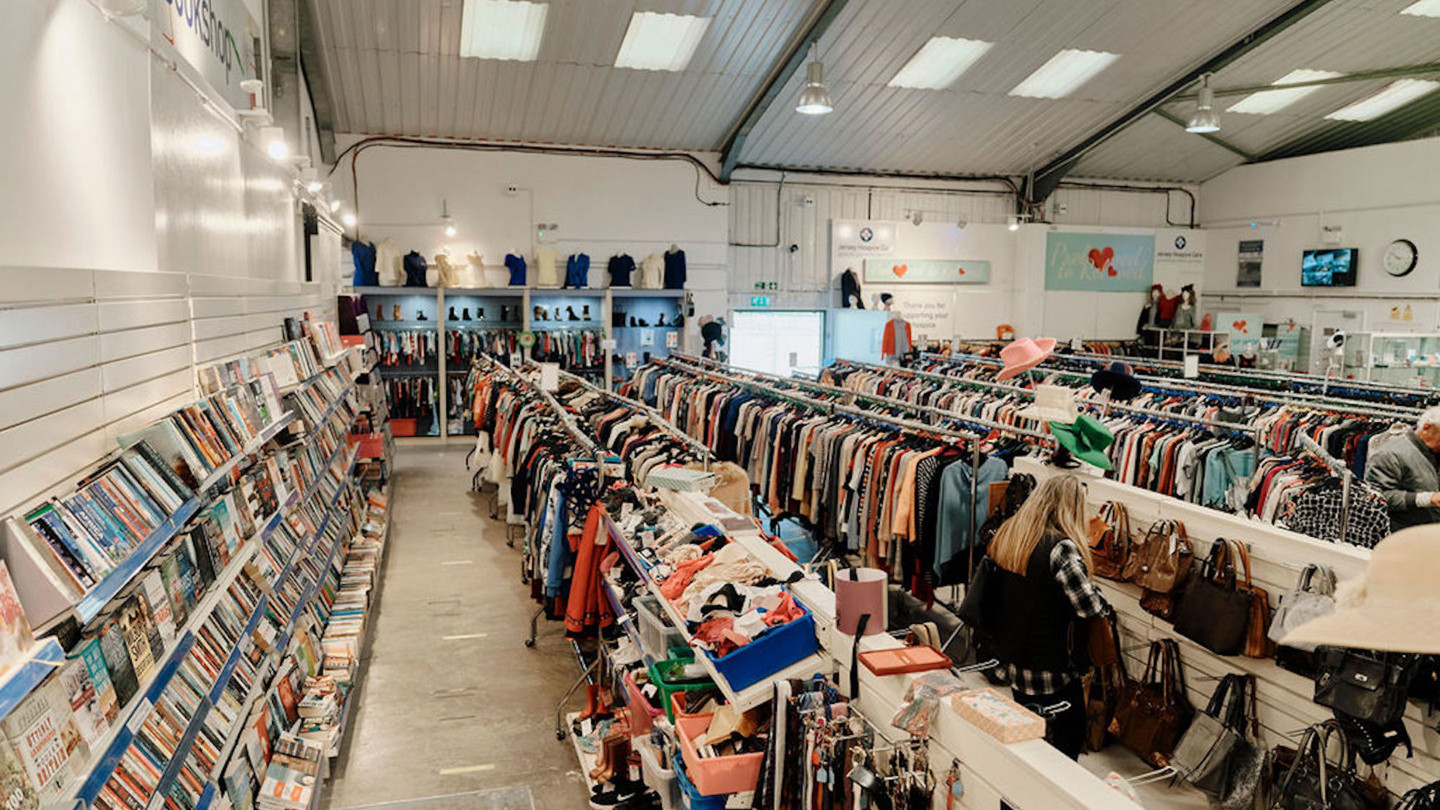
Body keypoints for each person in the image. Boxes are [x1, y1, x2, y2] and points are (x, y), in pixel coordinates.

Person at [985, 475, 1110, 759]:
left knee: (1028, 744)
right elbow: (1089, 606)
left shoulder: (1011, 535)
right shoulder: (1061, 548)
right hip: (1054, 670)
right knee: (1065, 752)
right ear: (1072, 508)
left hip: (1016, 662)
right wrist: (1100, 594)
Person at [1364, 406, 1440, 529]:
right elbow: (1377, 496)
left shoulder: (1433, 451)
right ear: (1427, 428)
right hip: (1405, 534)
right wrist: (1427, 499)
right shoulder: (1390, 454)